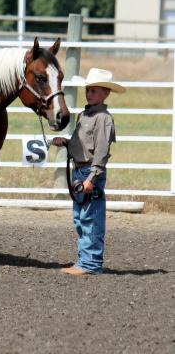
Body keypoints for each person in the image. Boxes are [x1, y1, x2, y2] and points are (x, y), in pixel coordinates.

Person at [52, 68, 125, 276]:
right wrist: (66, 142)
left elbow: (101, 152)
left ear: (105, 93)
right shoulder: (84, 115)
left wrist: (92, 178)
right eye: (88, 90)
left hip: (89, 174)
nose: (89, 93)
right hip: (80, 172)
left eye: (94, 90)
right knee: (80, 219)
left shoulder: (104, 119)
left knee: (90, 218)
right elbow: (83, 144)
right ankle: (85, 261)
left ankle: (90, 264)